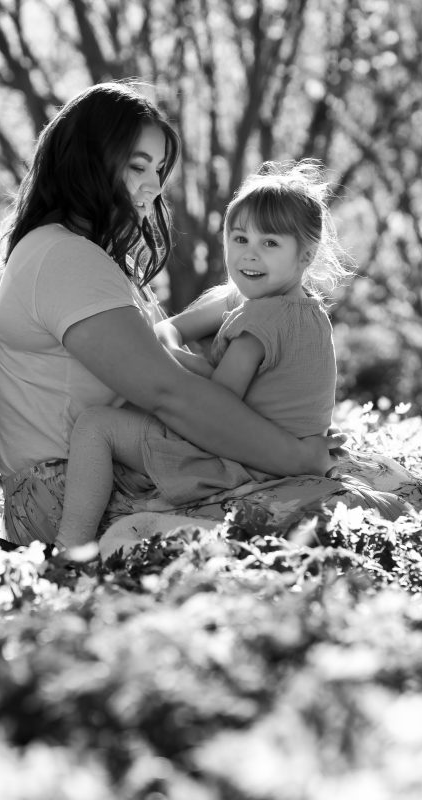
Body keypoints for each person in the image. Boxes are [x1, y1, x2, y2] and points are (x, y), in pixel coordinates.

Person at [0, 81, 344, 548]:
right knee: (342, 512)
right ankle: (70, 562)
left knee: (364, 490)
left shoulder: (88, 257)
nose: (154, 187)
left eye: (158, 169)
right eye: (138, 166)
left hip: (125, 468)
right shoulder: (64, 257)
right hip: (67, 492)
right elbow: (169, 393)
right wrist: (296, 456)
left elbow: (174, 361)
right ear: (88, 161)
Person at [55, 159, 354, 548]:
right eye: (240, 238)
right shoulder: (296, 307)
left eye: (270, 243)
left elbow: (215, 402)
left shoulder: (263, 320)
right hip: (268, 448)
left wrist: (171, 361)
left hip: (242, 461)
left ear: (306, 255)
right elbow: (170, 328)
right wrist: (174, 347)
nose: (249, 255)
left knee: (96, 425)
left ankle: (68, 546)